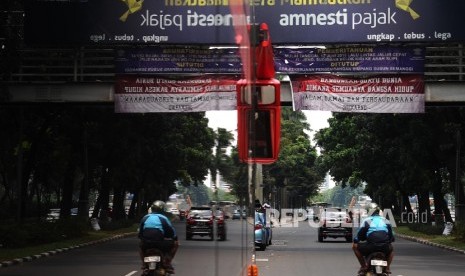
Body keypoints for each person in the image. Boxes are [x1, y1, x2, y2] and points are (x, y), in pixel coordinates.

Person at [138, 200, 179, 274]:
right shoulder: (163, 218)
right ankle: (167, 262)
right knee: (176, 244)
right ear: (162, 210)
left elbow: (140, 233)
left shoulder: (145, 217)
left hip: (146, 244)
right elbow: (171, 232)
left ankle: (144, 264)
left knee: (141, 246)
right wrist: (175, 238)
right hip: (159, 243)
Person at [352, 208, 395, 275]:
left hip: (371, 246)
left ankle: (364, 266)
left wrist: (356, 240)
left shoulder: (367, 221)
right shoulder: (386, 221)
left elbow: (359, 235)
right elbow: (391, 236)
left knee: (354, 247)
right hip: (384, 247)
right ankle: (387, 268)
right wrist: (389, 240)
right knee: (391, 249)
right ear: (379, 214)